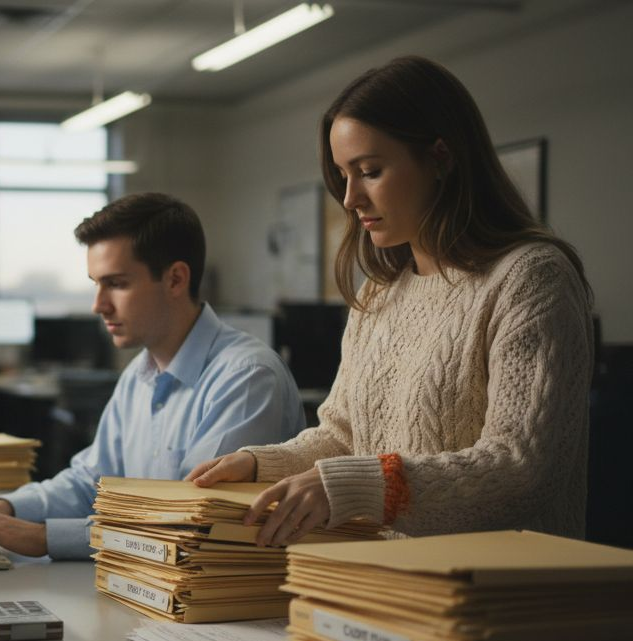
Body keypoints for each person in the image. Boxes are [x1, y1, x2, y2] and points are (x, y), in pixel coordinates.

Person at [188, 56, 593, 548]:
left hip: (501, 598)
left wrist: (364, 484)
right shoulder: (379, 291)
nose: (350, 198)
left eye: (370, 171)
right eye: (343, 176)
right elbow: (341, 435)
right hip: (388, 583)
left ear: (441, 157)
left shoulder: (531, 277)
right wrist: (257, 462)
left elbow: (519, 465)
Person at [0, 192, 305, 558]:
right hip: (143, 591)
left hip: (217, 612)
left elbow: (189, 523)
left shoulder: (246, 378)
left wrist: (44, 537)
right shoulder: (140, 373)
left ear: (175, 279)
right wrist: (3, 506)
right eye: (96, 284)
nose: (98, 305)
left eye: (116, 284)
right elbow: (91, 482)